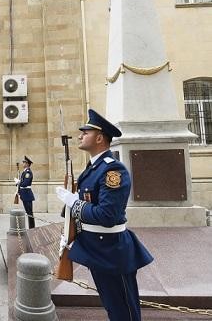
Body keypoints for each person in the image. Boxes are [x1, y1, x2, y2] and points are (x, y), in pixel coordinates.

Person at [56, 109, 153, 321]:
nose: (80, 135)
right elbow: (86, 206)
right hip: (95, 247)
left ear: (99, 138)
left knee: (123, 312)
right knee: (112, 307)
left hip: (111, 250)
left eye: (86, 132)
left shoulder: (112, 170)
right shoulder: (92, 168)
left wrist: (75, 202)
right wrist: (69, 224)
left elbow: (107, 215)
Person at [16, 156, 35, 229]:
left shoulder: (28, 172)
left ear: (27, 164)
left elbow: (25, 183)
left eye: (24, 162)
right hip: (24, 194)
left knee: (30, 213)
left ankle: (32, 228)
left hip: (27, 194)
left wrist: (19, 182)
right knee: (28, 212)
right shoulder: (24, 172)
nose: (23, 163)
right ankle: (31, 228)